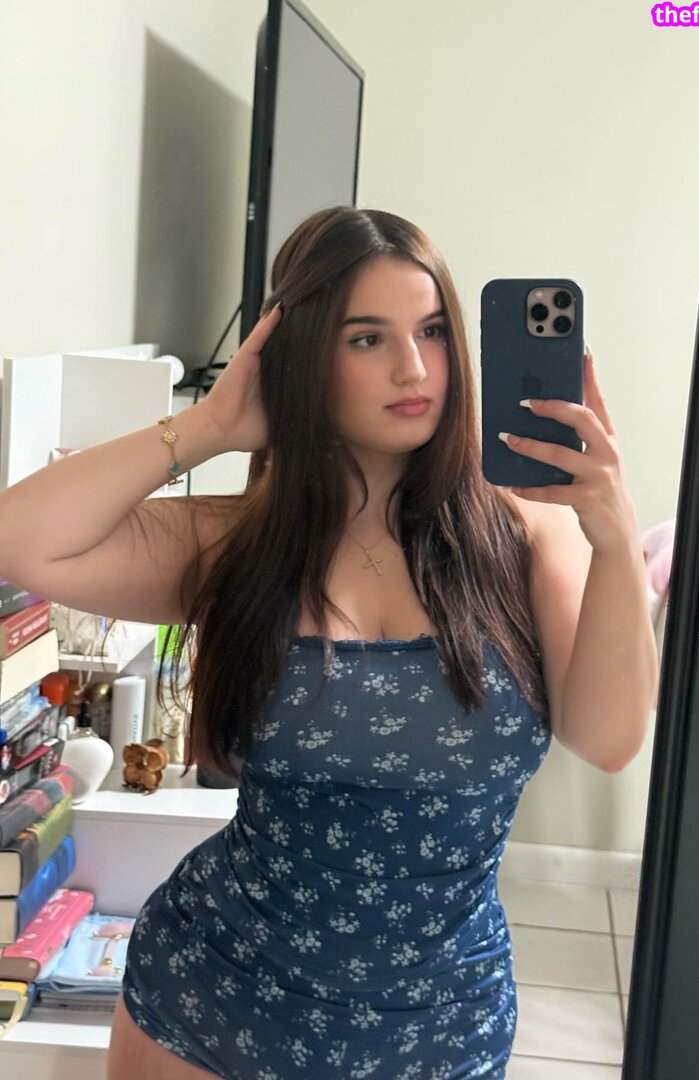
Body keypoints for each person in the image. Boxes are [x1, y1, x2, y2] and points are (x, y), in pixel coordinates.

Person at [0, 206, 658, 1078]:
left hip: (438, 1025)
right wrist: (209, 428)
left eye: (432, 331)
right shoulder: (237, 545)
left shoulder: (526, 534)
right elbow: (22, 540)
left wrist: (612, 533)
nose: (413, 367)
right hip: (215, 1002)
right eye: (366, 338)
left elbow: (610, 741)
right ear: (305, 356)